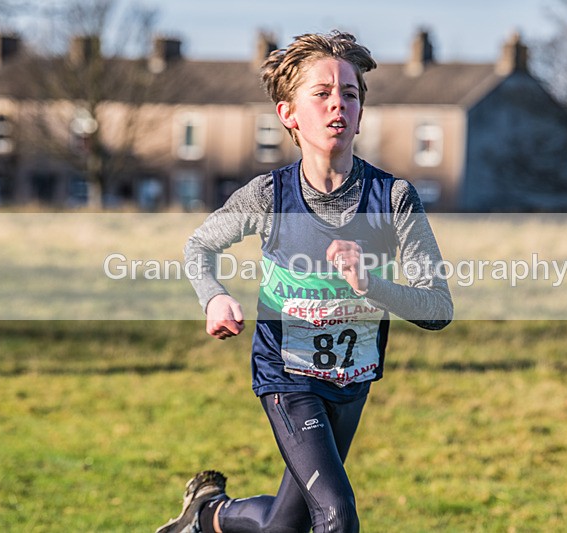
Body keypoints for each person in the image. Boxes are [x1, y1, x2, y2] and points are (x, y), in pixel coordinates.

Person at [156, 30, 453, 533]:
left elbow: (437, 309)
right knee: (336, 514)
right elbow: (198, 246)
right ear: (288, 114)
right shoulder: (268, 196)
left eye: (350, 93)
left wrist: (370, 284)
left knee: (283, 525)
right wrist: (215, 298)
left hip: (351, 381)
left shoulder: (394, 198)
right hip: (287, 375)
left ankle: (207, 516)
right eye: (321, 93)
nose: (338, 103)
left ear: (360, 112)